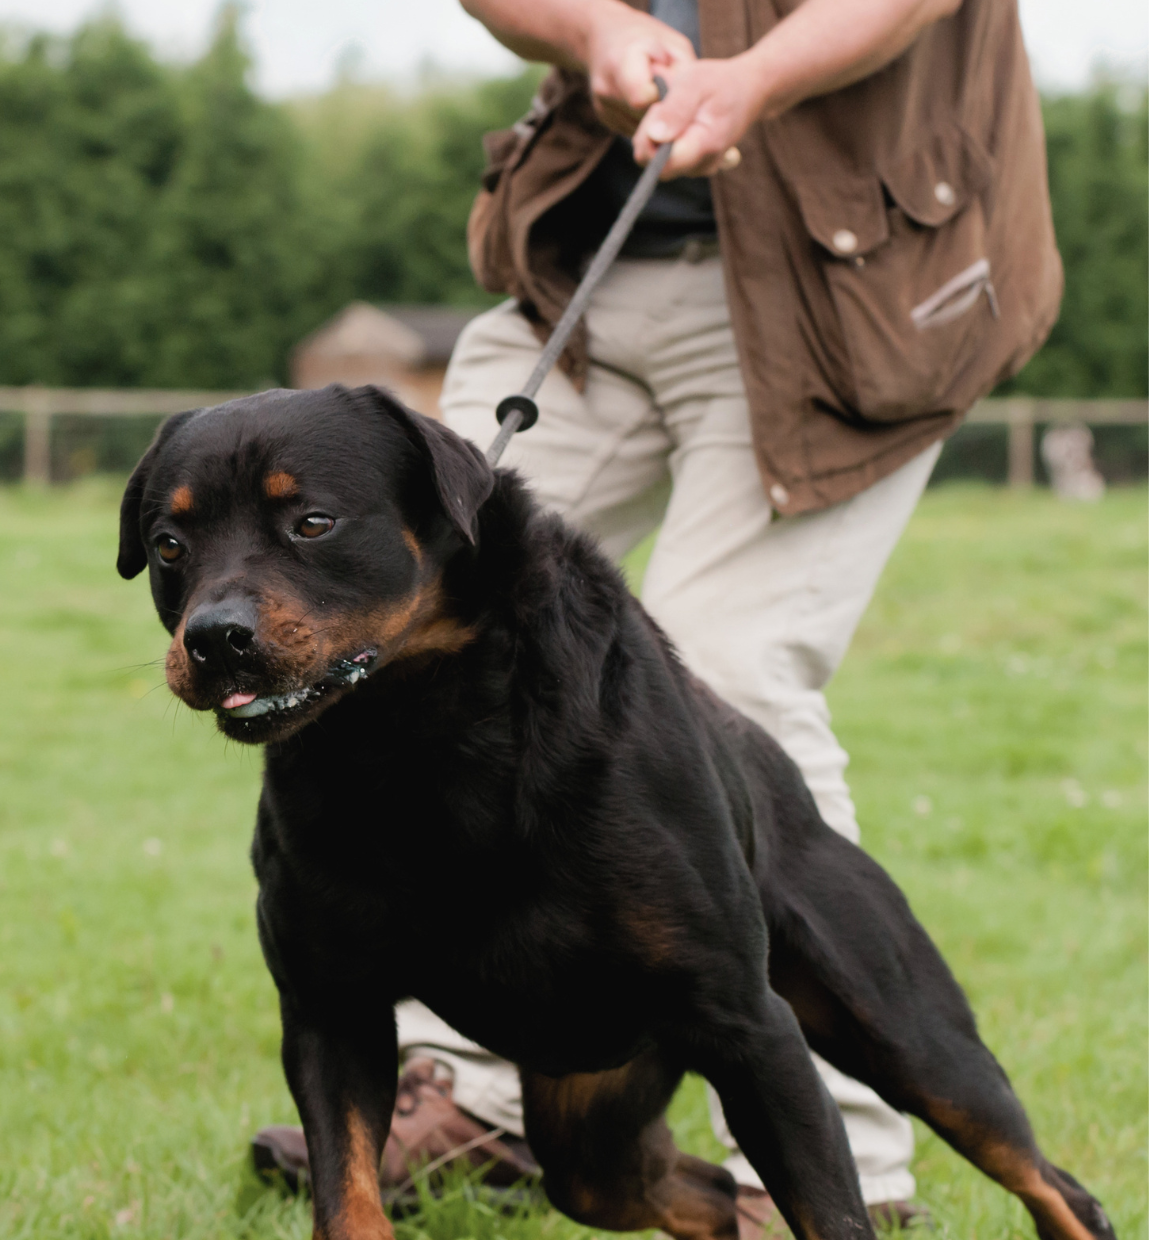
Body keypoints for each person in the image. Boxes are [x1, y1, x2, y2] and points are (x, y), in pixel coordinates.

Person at [252, 0, 1061, 1234]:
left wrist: (759, 75)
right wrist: (590, 31)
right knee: (374, 646)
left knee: (729, 672)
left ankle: (839, 1167)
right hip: (582, 259)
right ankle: (480, 1102)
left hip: (849, 276)